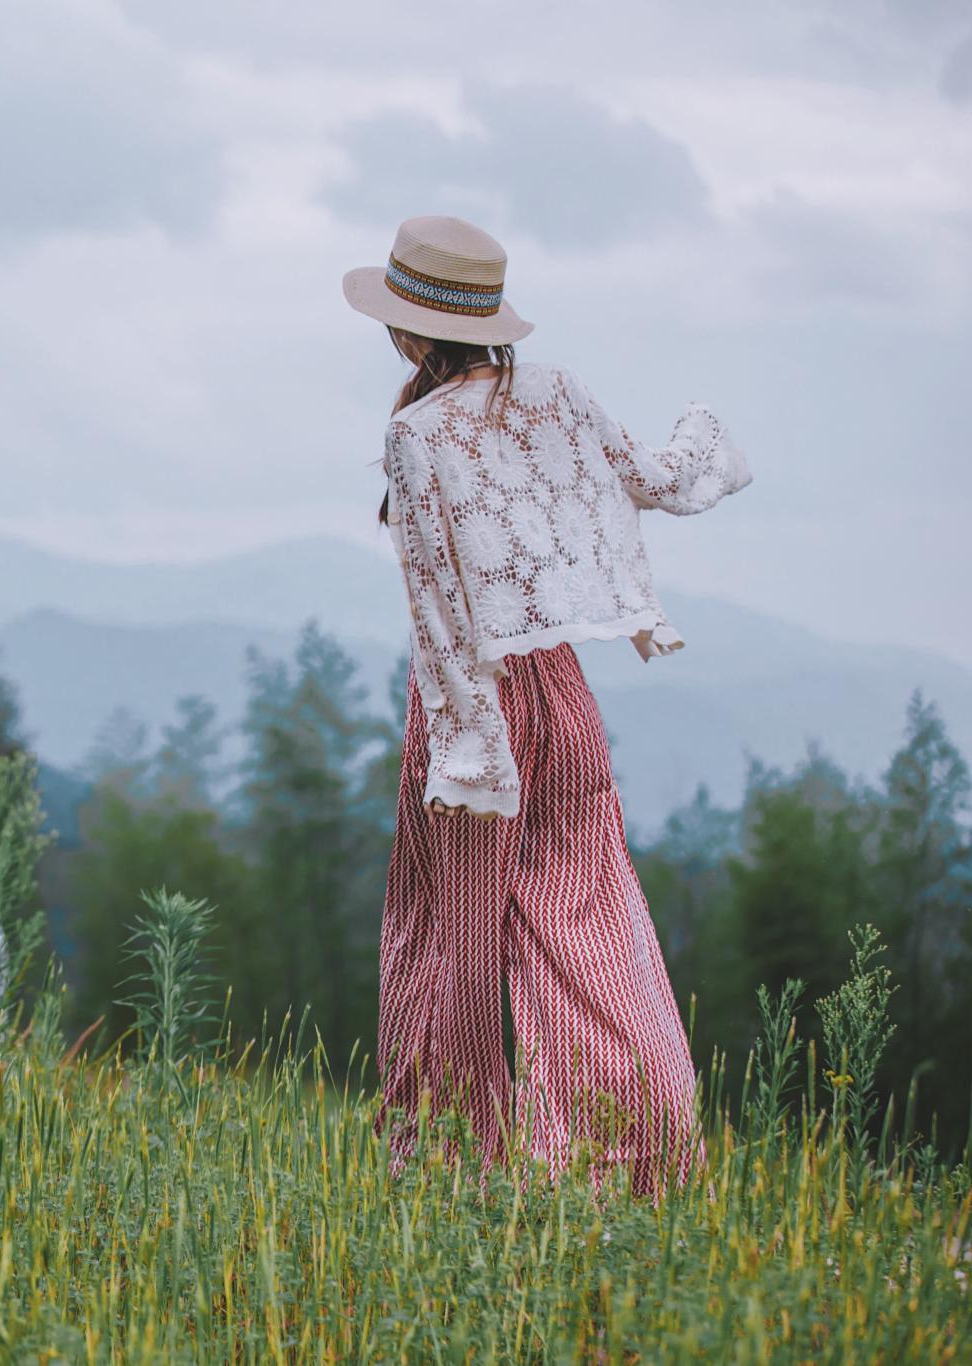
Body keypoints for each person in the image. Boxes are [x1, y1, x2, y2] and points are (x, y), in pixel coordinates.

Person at [341, 215, 752, 1193]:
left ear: (406, 332)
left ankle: (447, 1166)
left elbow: (440, 613)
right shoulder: (556, 393)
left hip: (466, 708)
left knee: (448, 937)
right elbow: (656, 479)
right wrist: (704, 431)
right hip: (557, 691)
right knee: (585, 915)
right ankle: (630, 1153)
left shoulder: (414, 433)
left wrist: (469, 756)